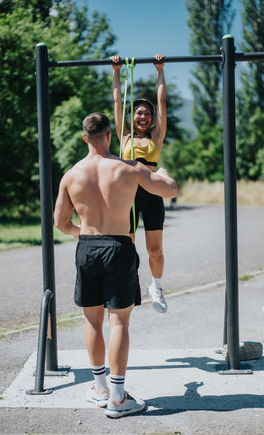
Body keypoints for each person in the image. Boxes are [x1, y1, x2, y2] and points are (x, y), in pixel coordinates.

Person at [54, 113, 178, 418]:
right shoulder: (129, 168)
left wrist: (82, 233)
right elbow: (170, 190)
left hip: (88, 247)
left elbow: (60, 222)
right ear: (110, 136)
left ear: (85, 137)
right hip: (119, 247)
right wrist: (162, 172)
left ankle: (100, 389)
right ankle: (118, 397)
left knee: (92, 322)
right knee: (118, 322)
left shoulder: (71, 175)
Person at [111, 54, 169, 314]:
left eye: (147, 113)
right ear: (132, 117)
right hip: (128, 197)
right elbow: (116, 101)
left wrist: (160, 71)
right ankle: (128, 285)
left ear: (152, 118)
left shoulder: (157, 136)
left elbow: (162, 101)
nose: (143, 116)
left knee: (155, 249)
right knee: (128, 248)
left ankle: (156, 287)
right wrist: (116, 72)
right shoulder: (124, 136)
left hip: (152, 194)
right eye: (138, 113)